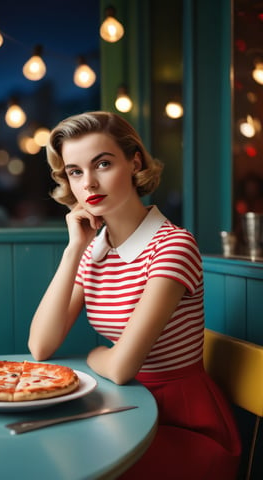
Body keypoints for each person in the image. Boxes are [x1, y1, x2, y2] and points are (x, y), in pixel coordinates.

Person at [28, 111, 241, 479]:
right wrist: (73, 249)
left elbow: (123, 367)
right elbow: (40, 346)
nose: (89, 183)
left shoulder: (173, 246)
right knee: (43, 455)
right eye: (75, 171)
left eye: (103, 164)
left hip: (182, 423)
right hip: (123, 408)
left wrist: (96, 353)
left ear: (134, 162)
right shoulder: (96, 249)